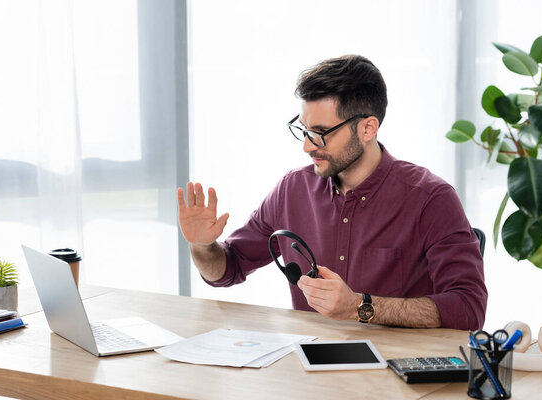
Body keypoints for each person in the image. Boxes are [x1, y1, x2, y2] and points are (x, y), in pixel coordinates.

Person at [177, 55, 487, 330]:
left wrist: (359, 307)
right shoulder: (292, 189)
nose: (307, 145)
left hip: (398, 378)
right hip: (311, 372)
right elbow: (228, 268)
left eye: (321, 133)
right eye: (304, 129)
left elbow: (468, 308)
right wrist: (203, 246)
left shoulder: (430, 198)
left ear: (367, 128)